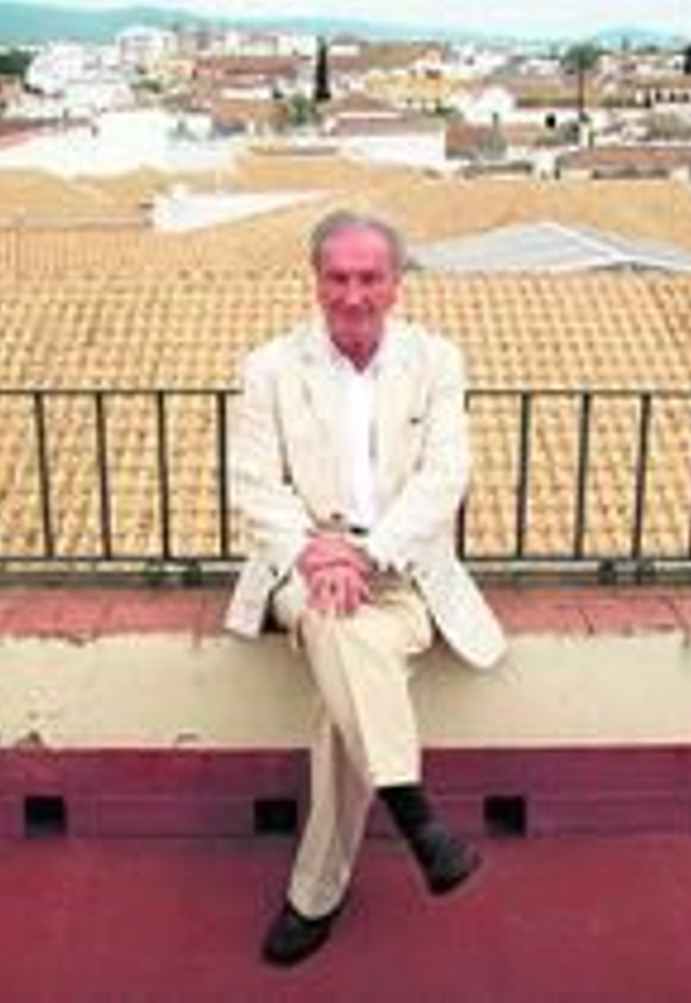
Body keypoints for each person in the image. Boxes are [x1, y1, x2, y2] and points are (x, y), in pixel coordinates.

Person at [224, 211, 507, 967]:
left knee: (347, 664)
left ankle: (317, 892)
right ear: (315, 279)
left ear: (396, 282)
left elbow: (445, 476)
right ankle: (416, 818)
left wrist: (367, 554)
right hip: (302, 572)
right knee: (337, 619)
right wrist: (318, 553)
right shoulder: (269, 368)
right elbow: (253, 484)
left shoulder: (437, 360)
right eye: (338, 277)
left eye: (369, 277)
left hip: (403, 571)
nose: (353, 295)